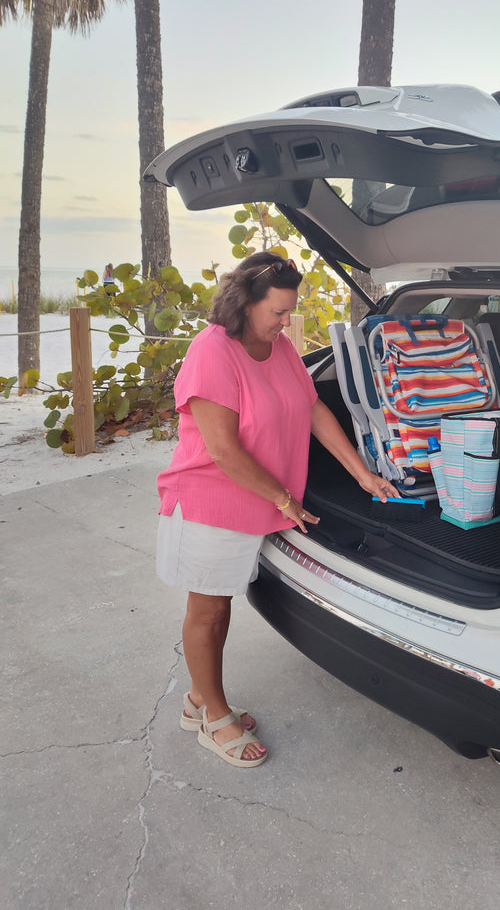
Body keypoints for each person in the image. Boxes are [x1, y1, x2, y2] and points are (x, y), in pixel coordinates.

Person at [156, 251, 398, 768]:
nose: (287, 322)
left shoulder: (279, 345)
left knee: (221, 606)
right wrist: (286, 499)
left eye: (290, 311)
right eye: (279, 312)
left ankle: (200, 698)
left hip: (256, 501)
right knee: (208, 611)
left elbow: (312, 407)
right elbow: (223, 451)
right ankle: (213, 717)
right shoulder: (211, 352)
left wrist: (361, 473)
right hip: (211, 500)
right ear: (244, 304)